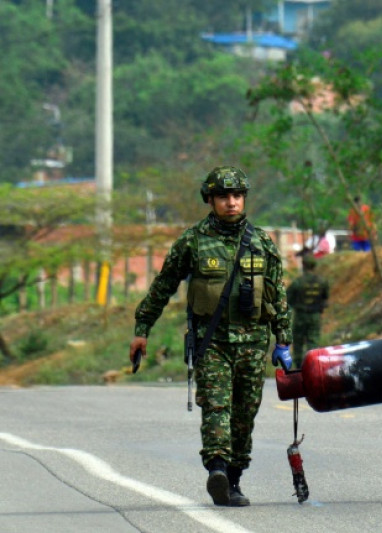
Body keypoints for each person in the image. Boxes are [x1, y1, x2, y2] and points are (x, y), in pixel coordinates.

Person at [128, 166, 293, 507]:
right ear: (210, 200)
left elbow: (277, 295)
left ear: (244, 199)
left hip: (252, 342)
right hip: (211, 342)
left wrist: (284, 341)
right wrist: (142, 329)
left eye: (237, 196)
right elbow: (163, 286)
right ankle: (216, 469)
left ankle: (233, 479)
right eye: (223, 197)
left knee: (244, 414)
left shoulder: (262, 243)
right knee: (217, 406)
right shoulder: (193, 241)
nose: (231, 203)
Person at [286, 254, 330, 367]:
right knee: (313, 342)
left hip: (300, 316)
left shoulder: (298, 282)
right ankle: (312, 366)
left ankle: (299, 368)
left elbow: (288, 299)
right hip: (315, 316)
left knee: (298, 343)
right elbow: (325, 299)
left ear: (304, 265)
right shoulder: (322, 282)